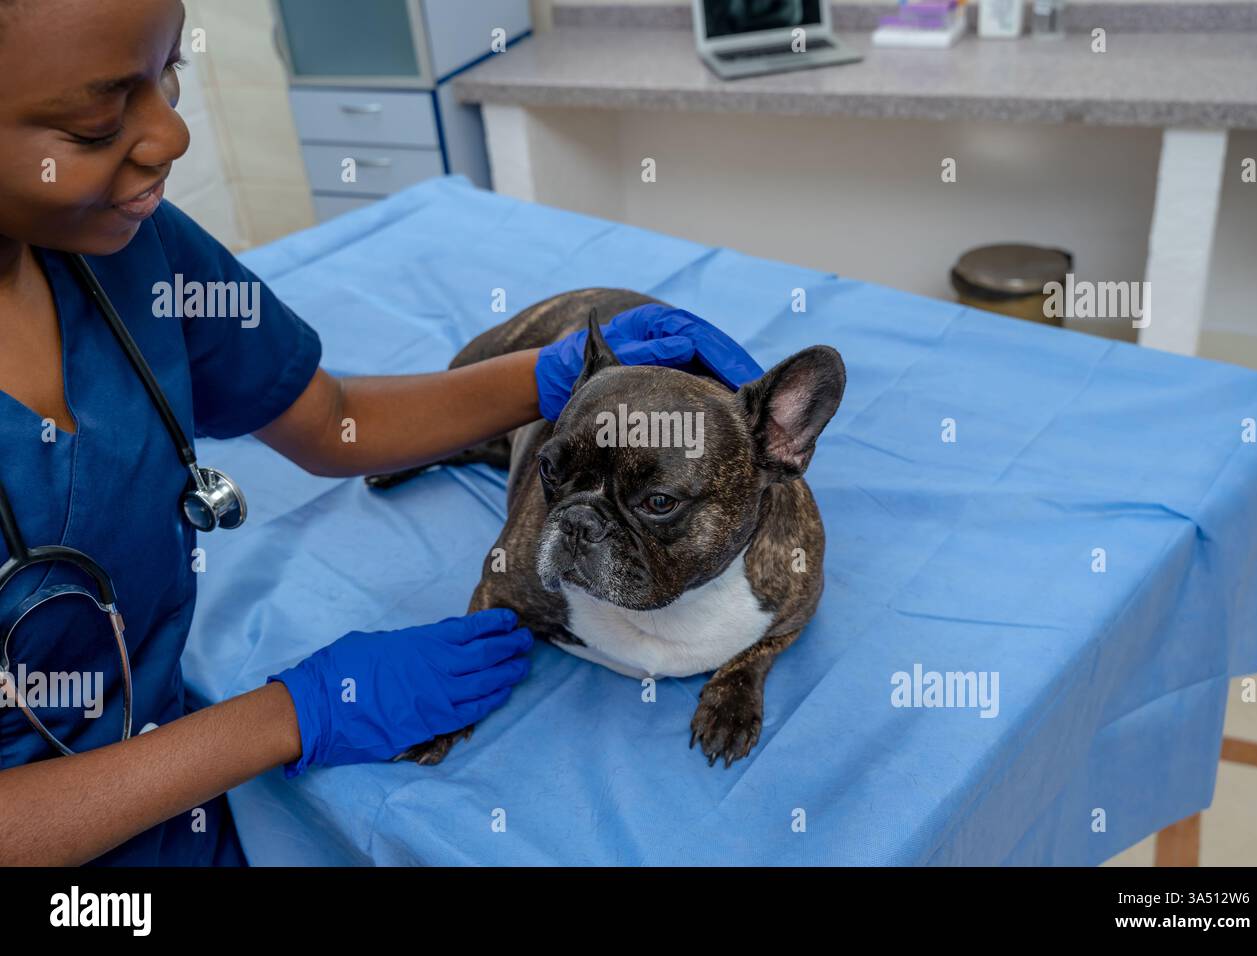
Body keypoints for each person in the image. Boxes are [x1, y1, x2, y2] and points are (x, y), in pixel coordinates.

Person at [0, 0, 762, 865]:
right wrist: (290, 717)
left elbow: (332, 420)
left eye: (171, 71)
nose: (171, 135)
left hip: (177, 811)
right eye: (98, 121)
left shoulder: (138, 248)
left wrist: (548, 375)